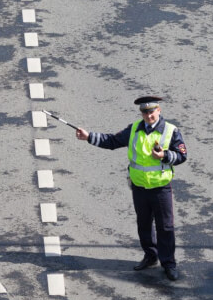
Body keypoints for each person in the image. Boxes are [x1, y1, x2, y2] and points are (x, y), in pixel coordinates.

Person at [75, 96, 187, 281]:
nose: (149, 115)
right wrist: (89, 137)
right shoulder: (134, 128)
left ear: (158, 110)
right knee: (143, 224)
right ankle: (151, 256)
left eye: (152, 111)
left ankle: (169, 263)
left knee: (165, 227)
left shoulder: (170, 131)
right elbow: (112, 141)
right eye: (145, 112)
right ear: (141, 113)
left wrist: (165, 156)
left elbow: (182, 155)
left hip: (160, 187)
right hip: (139, 187)